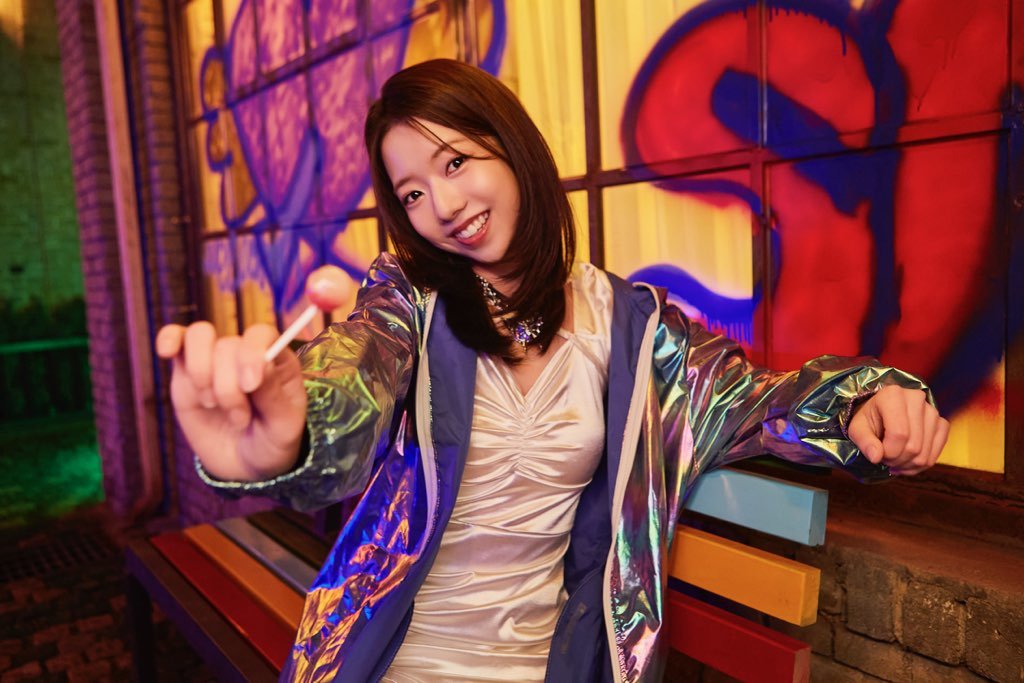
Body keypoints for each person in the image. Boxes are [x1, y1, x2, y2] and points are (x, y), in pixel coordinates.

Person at [156, 59, 948, 683]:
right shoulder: (408, 303)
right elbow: (355, 372)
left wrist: (865, 400)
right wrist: (294, 430)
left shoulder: (631, 327)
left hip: (547, 664)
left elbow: (758, 399)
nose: (444, 205)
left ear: (510, 144)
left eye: (456, 161)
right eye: (413, 192)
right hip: (396, 654)